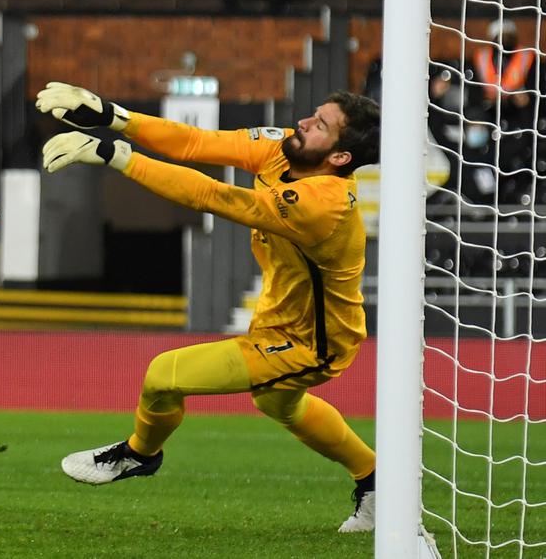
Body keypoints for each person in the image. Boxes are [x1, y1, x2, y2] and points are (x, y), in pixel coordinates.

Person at [35, 81, 380, 533]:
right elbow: (196, 141)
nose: (303, 122)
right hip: (281, 319)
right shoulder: (285, 150)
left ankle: (139, 454)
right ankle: (377, 483)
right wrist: (113, 115)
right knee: (282, 406)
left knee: (164, 374)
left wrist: (116, 155)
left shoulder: (323, 205)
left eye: (320, 125)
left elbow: (213, 197)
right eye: (313, 114)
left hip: (311, 343)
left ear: (339, 158)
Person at [470, 19, 539, 206]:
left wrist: (526, 100)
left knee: (521, 154)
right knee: (484, 158)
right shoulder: (482, 59)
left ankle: (516, 193)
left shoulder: (529, 58)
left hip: (521, 120)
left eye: (507, 37)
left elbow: (536, 90)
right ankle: (489, 196)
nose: (503, 42)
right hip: (491, 119)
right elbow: (473, 93)